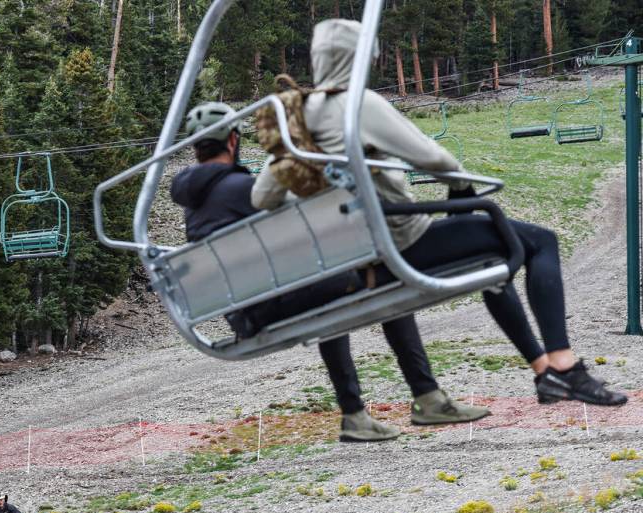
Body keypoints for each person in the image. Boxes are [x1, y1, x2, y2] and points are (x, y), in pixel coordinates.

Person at [251, 19, 626, 407]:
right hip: (404, 245)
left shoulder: (296, 118)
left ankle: (543, 371)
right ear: (362, 57)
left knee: (491, 260)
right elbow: (438, 159)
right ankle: (565, 366)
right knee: (539, 241)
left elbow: (263, 197)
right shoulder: (357, 106)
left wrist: (329, 201)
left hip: (355, 258)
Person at [171, 101, 490, 443]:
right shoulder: (241, 190)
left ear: (196, 148)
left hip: (246, 311)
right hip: (269, 304)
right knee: (386, 278)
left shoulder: (194, 202)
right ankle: (426, 396)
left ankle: (355, 413)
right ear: (233, 141)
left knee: (331, 287)